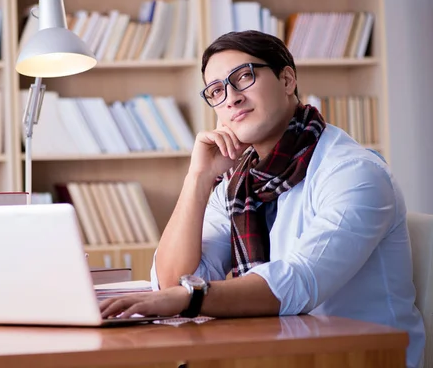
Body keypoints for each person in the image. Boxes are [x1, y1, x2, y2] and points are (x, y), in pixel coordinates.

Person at [99, 30, 425, 368]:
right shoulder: (239, 182)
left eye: (244, 77)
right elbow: (171, 281)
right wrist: (198, 178)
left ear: (287, 80)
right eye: (216, 90)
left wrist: (189, 297)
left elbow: (300, 282)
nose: (231, 98)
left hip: (361, 359)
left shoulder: (354, 172)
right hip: (278, 353)